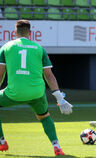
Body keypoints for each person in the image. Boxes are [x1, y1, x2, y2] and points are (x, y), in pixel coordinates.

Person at [0, 20, 73, 155]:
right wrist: (59, 98)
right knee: (44, 116)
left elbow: (0, 74)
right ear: (30, 33)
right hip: (37, 93)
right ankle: (56, 146)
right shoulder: (39, 49)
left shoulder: (6, 47)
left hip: (14, 93)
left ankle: (2, 142)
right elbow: (49, 75)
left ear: (15, 33)